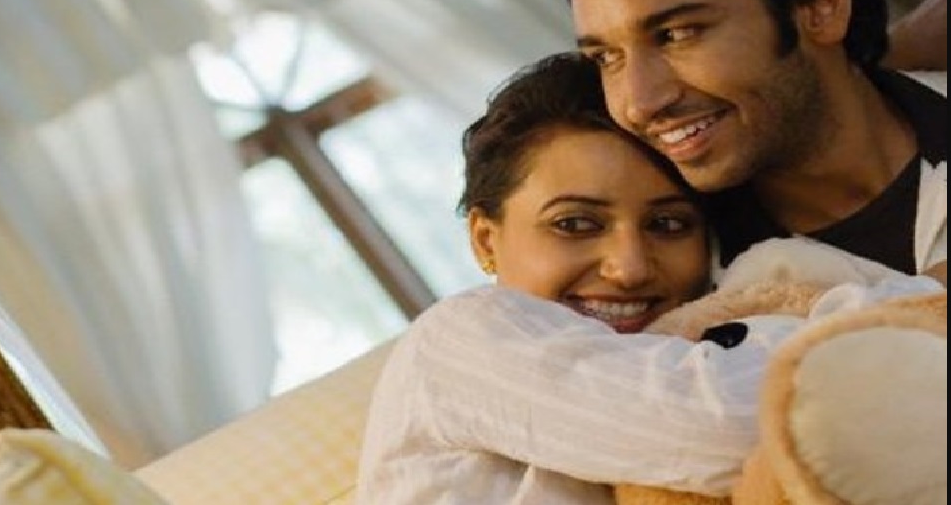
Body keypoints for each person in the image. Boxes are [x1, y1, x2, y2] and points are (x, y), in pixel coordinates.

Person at [355, 53, 932, 503]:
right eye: (575, 223)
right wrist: (925, 298)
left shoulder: (716, 329)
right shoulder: (457, 339)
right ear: (486, 239)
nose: (629, 268)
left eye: (668, 224)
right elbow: (752, 423)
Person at [547, 0, 946, 283]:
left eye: (677, 34)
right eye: (606, 57)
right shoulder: (680, 289)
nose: (640, 102)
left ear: (821, 6)